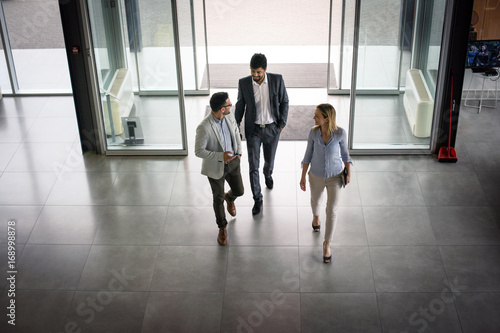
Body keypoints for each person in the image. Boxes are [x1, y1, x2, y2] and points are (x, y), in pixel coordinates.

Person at [235, 53, 289, 215]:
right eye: (253, 71)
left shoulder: (277, 80)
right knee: (253, 166)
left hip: (273, 129)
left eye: (258, 72)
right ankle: (257, 199)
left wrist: (281, 124)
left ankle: (268, 174)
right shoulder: (244, 83)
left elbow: (285, 101)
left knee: (269, 161)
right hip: (254, 131)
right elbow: (240, 106)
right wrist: (236, 126)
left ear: (265, 69)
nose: (255, 75)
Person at [299, 103, 352, 263]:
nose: (313, 118)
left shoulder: (340, 133)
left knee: (332, 210)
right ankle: (316, 217)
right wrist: (302, 177)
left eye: (317, 116)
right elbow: (307, 155)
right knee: (316, 201)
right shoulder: (313, 132)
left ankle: (327, 244)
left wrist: (348, 171)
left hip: (335, 176)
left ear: (326, 118)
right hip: (316, 174)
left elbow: (345, 154)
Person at [195, 92, 244, 245]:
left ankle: (230, 198)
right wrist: (220, 156)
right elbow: (198, 151)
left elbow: (236, 132)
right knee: (217, 198)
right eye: (229, 105)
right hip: (215, 167)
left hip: (234, 162)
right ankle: (222, 227)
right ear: (222, 109)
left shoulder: (230, 115)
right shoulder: (204, 127)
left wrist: (239, 152)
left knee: (239, 191)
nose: (231, 106)